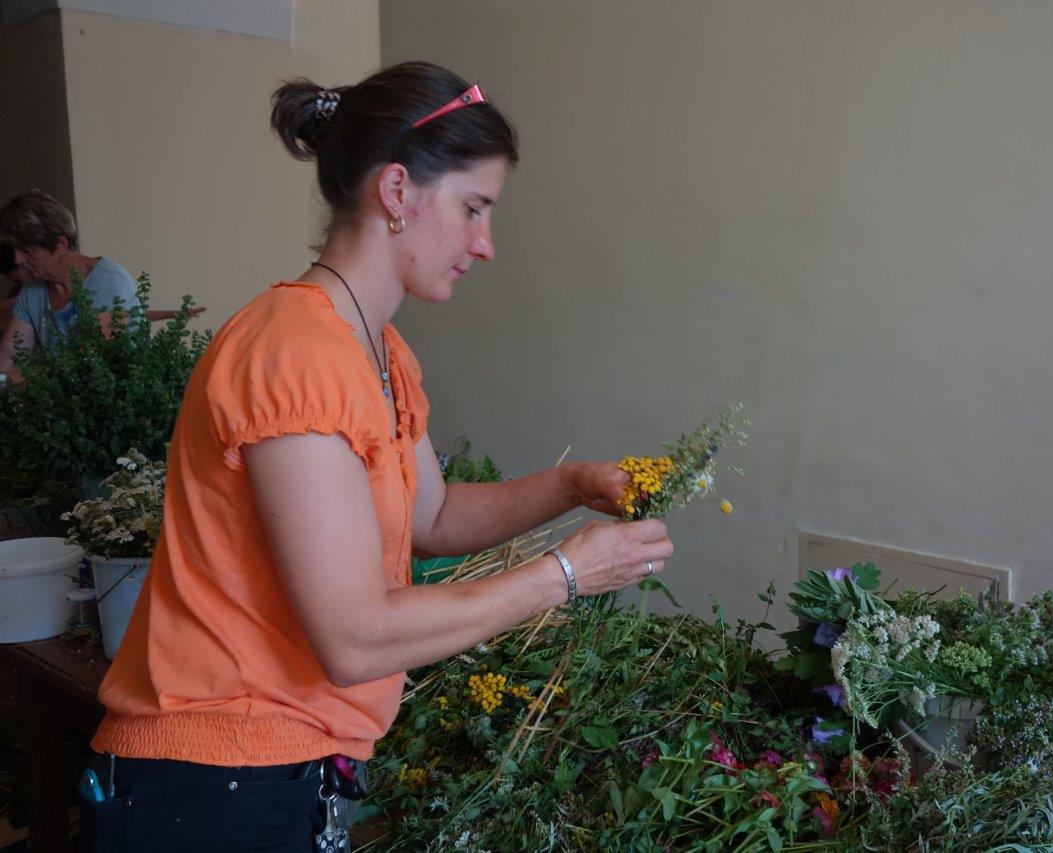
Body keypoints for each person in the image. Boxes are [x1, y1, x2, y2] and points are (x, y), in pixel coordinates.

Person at [82, 61, 672, 851]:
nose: (485, 244)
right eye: (472, 208)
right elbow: (354, 635)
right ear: (396, 191)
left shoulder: (378, 351)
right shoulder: (295, 353)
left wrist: (570, 485)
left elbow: (433, 515)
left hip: (281, 771)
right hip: (211, 780)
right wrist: (566, 574)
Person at [0, 191, 207, 382]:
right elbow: (7, 362)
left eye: (27, 251)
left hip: (115, 402)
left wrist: (16, 379)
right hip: (62, 403)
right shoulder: (33, 290)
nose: (18, 259)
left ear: (60, 244)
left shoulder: (109, 282)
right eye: (15, 250)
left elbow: (87, 369)